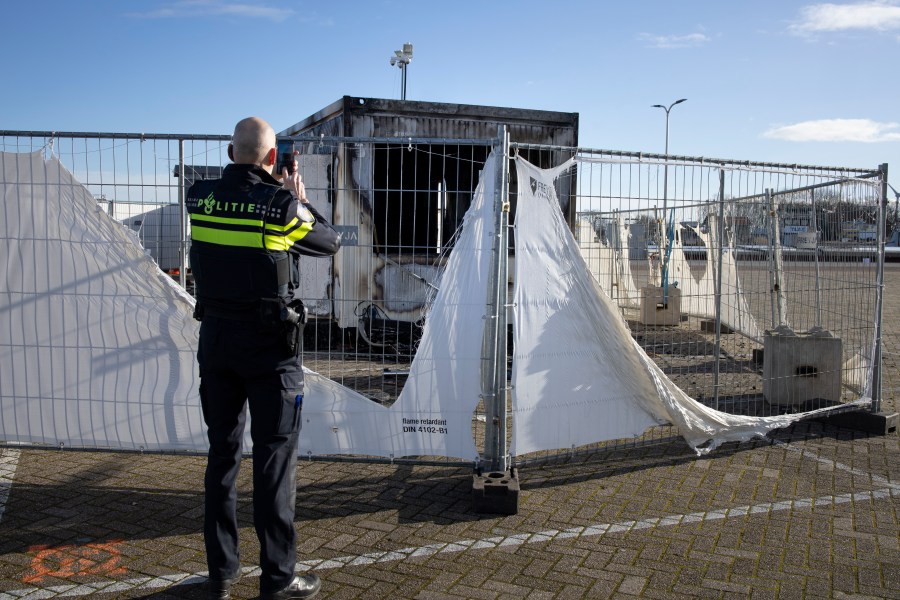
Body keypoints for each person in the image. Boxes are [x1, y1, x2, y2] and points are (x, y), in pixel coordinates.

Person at [187, 117, 341, 600]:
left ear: (232, 152)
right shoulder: (281, 206)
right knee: (274, 461)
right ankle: (278, 579)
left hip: (216, 344)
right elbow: (330, 242)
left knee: (222, 457)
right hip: (271, 352)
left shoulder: (200, 198)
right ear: (274, 159)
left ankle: (220, 575)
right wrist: (298, 196)